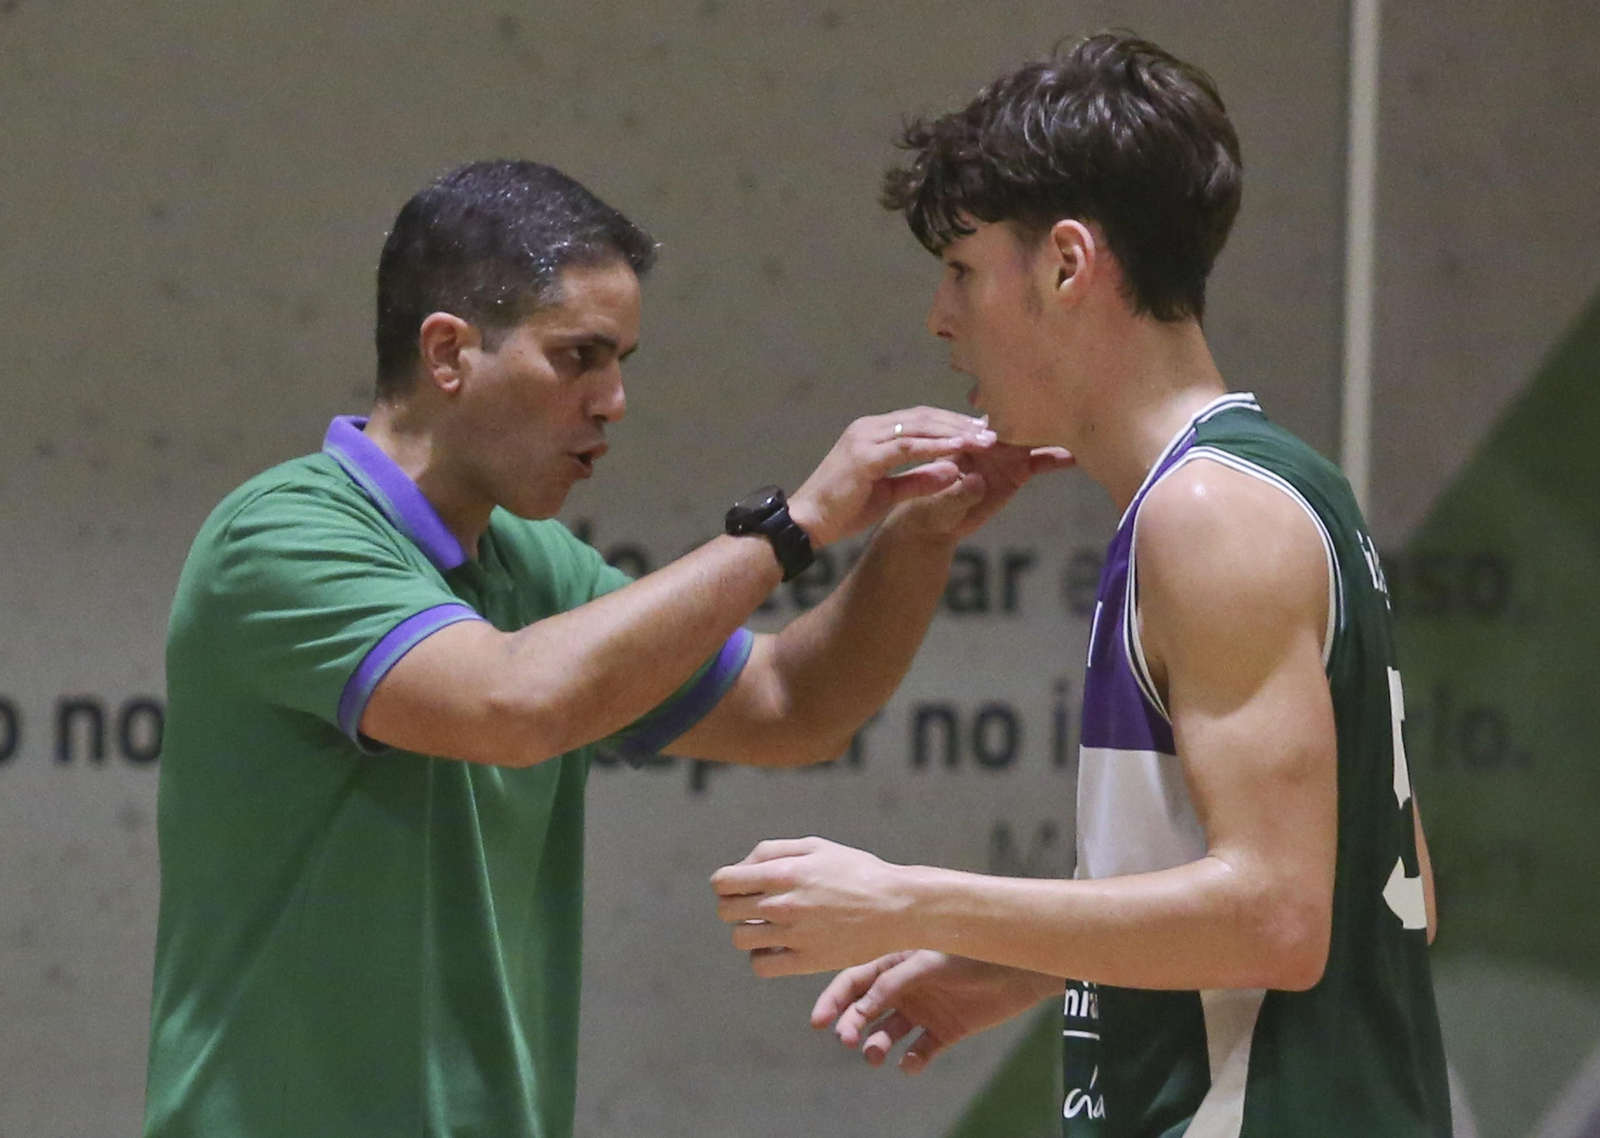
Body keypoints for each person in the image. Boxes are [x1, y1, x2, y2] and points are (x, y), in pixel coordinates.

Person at [143, 160, 1070, 1138]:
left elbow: (795, 705)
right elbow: (510, 708)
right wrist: (793, 525)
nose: (613, 399)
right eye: (579, 357)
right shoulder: (283, 538)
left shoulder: (533, 564)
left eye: (622, 360)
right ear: (450, 353)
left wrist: (916, 537)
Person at [711, 34, 1452, 1137]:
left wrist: (905, 898)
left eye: (962, 269)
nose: (938, 317)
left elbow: (1280, 917)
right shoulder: (1263, 488)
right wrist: (1023, 965)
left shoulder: (1206, 516)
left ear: (1066, 264)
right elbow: (1394, 893)